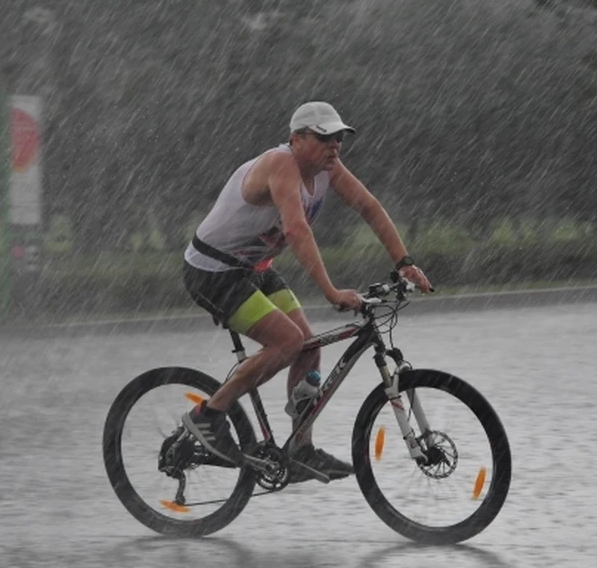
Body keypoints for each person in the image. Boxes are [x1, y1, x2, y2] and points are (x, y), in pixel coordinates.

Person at [181, 101, 432, 483]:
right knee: (287, 342)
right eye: (323, 137)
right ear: (296, 139)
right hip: (212, 271)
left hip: (254, 269)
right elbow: (296, 230)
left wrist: (404, 262)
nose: (333, 146)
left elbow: (369, 207)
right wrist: (331, 292)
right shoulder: (280, 165)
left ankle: (300, 449)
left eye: (338, 138)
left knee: (309, 346)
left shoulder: (328, 168)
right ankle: (208, 417)